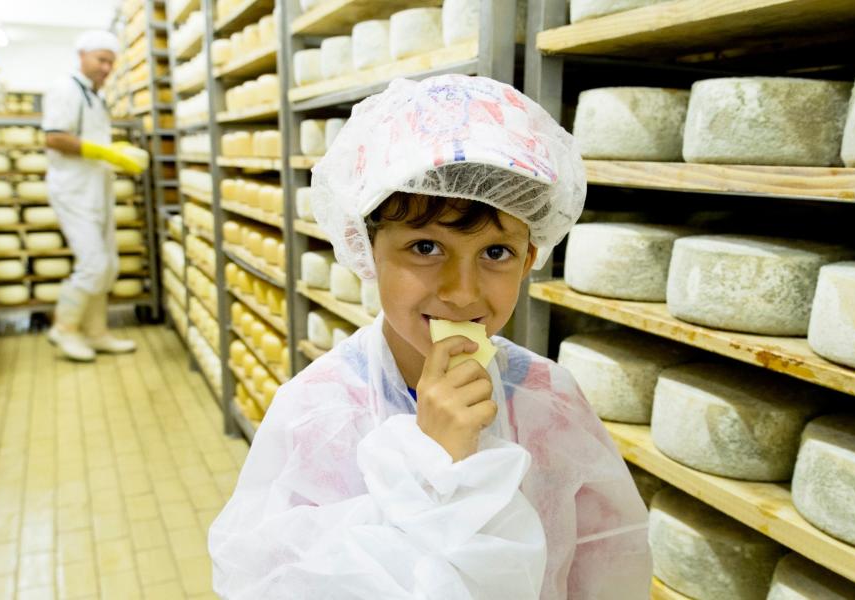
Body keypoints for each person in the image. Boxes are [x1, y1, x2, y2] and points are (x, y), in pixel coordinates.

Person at [208, 74, 653, 599]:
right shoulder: (317, 413)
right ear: (366, 247)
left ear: (529, 258)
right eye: (425, 247)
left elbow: (606, 557)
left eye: (495, 253)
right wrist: (430, 465)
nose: (462, 294)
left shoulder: (551, 401)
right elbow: (271, 577)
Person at [41, 30, 146, 361]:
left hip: (95, 189)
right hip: (73, 189)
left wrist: (113, 154)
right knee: (93, 263)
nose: (106, 68)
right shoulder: (65, 89)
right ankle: (65, 328)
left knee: (108, 265)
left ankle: (96, 333)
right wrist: (106, 152)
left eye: (111, 63)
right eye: (101, 60)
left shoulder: (94, 96)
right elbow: (54, 138)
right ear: (82, 55)